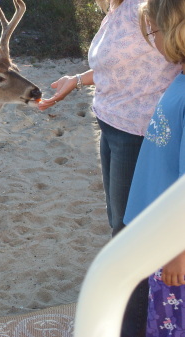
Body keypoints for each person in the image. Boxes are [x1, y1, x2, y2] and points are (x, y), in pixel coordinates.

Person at [38, 0, 181, 336]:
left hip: (140, 133)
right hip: (111, 125)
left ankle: (132, 326)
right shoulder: (117, 8)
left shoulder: (146, 8)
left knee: (129, 237)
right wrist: (76, 80)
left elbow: (176, 49)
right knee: (121, 225)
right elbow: (120, 65)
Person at [123, 0, 185, 335]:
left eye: (154, 31)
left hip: (173, 243)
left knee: (171, 324)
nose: (152, 39)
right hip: (159, 232)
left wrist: (178, 250)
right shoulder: (180, 79)